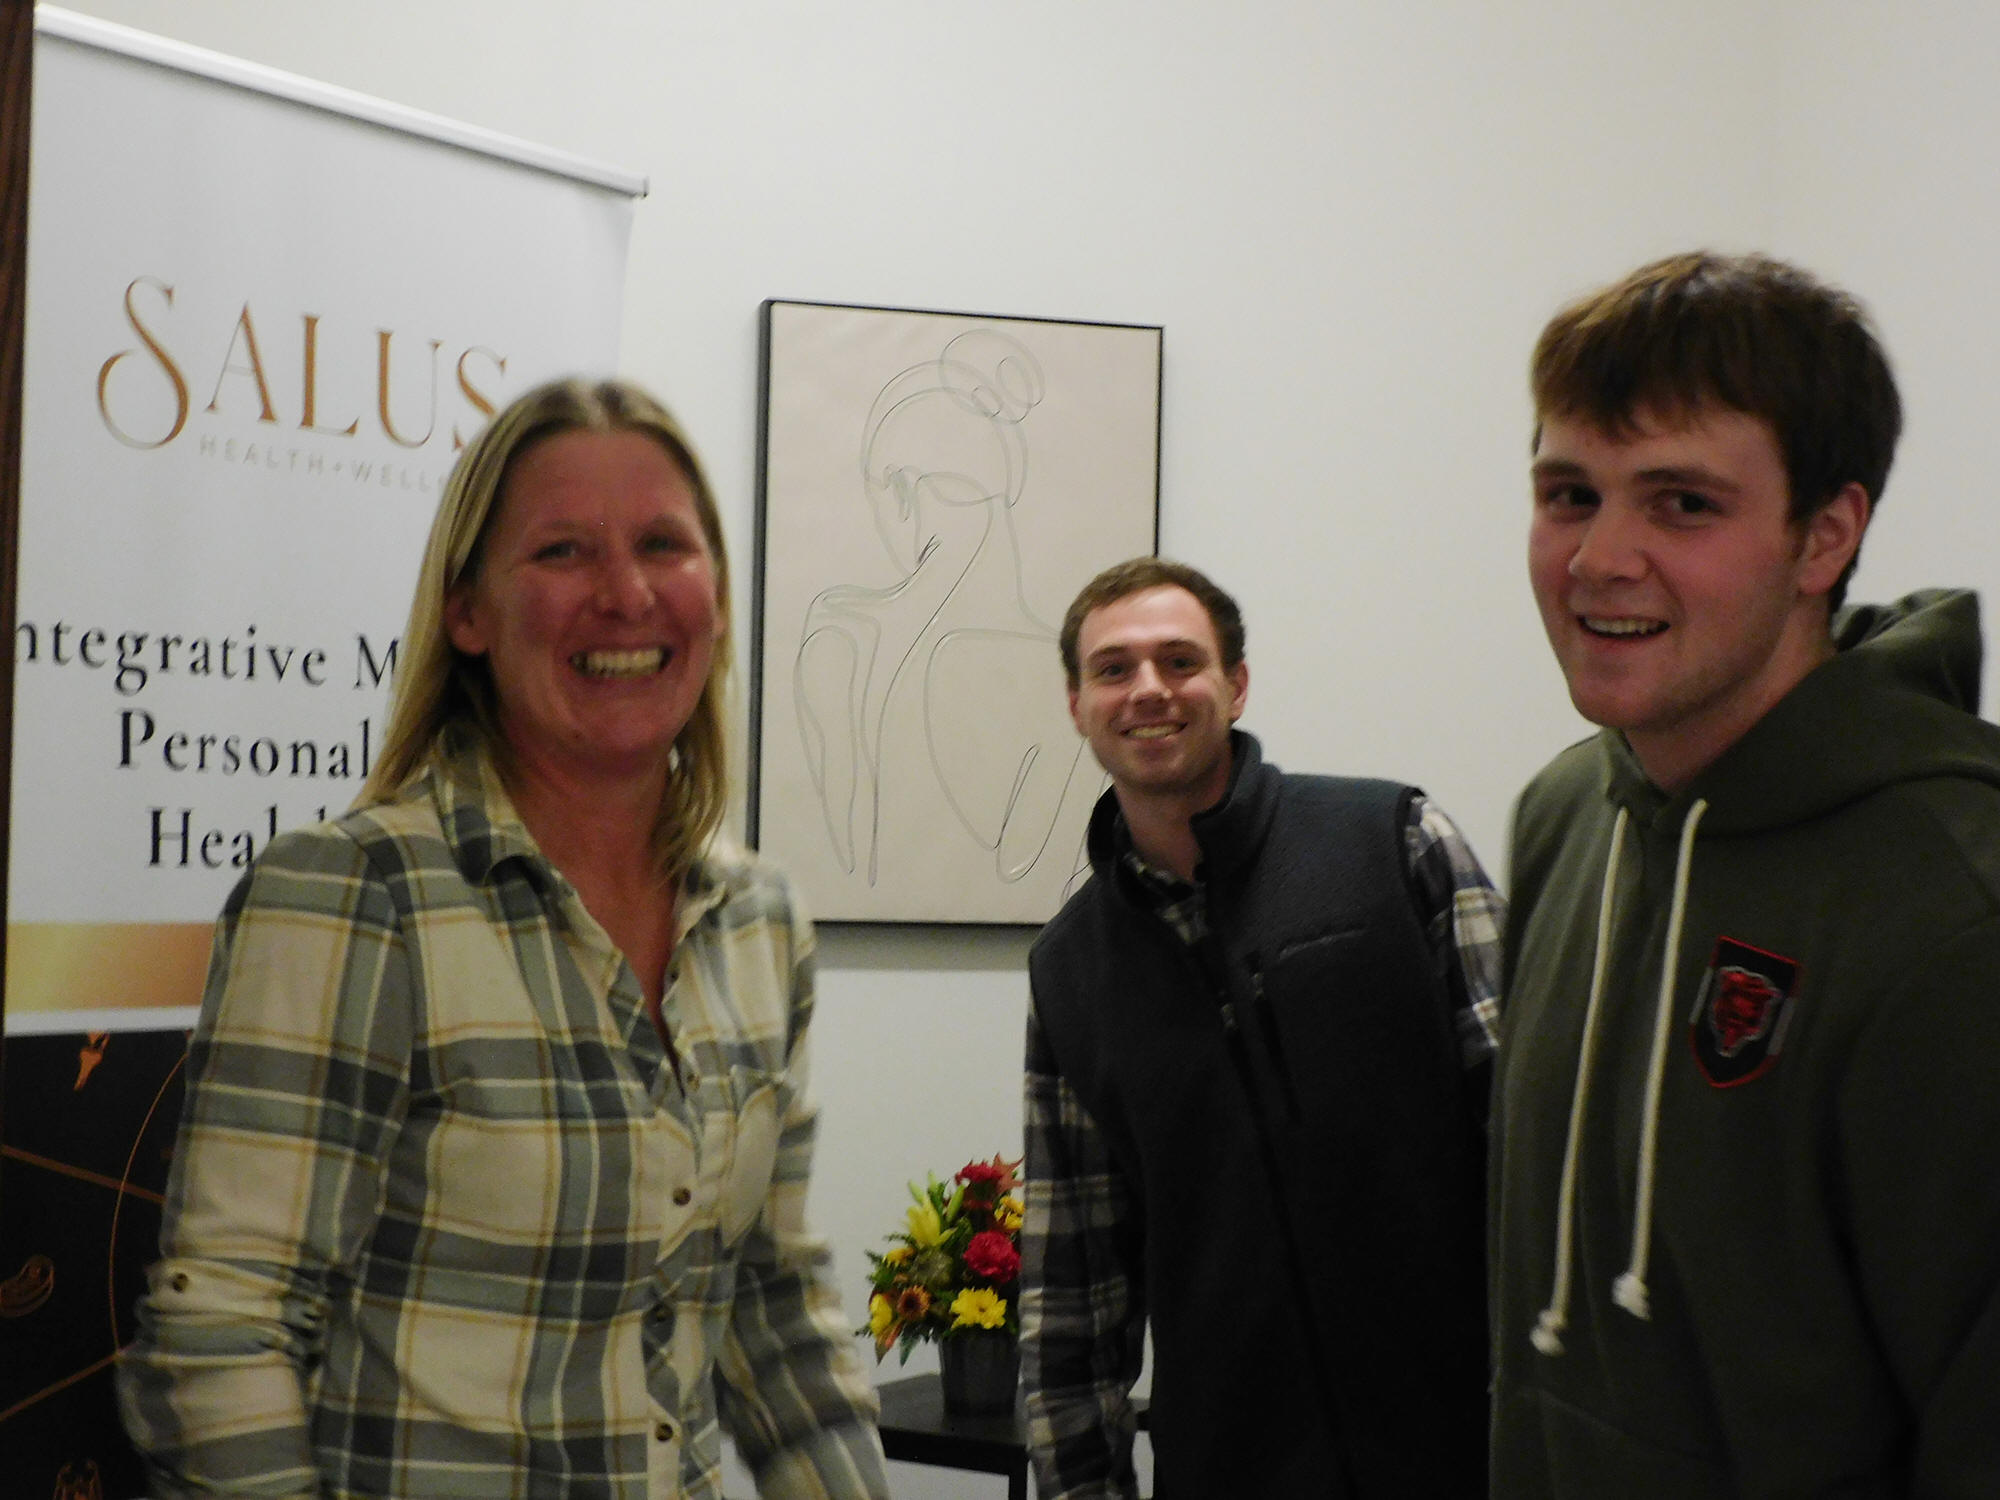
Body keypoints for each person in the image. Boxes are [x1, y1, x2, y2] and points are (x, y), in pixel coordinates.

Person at [116, 378, 891, 1500]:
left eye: (663, 545)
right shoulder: (356, 895)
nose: (625, 594)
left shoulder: (759, 920)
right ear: (468, 613)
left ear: (716, 597)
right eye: (563, 551)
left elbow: (770, 1306)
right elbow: (222, 1337)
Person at [1493, 251, 2000, 1496]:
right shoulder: (1563, 815)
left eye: (1680, 503)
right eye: (1568, 493)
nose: (1597, 558)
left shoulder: (1955, 904)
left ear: (1823, 535)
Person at [1020, 557, 1501, 1499]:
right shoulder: (1069, 973)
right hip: (1230, 1469)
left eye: (1179, 661)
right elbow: (1070, 1301)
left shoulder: (1396, 843)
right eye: (1114, 669)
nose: (1148, 689)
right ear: (1077, 706)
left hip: (1467, 1451)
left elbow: (1536, 1147)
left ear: (1235, 686)